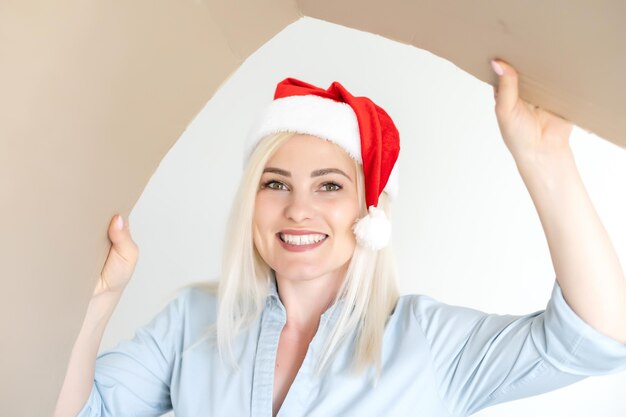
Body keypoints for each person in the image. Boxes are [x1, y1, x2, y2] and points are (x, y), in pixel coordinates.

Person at [54, 60, 626, 417]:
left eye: (329, 186)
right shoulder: (191, 323)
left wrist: (544, 156)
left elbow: (597, 338)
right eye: (275, 183)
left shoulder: (429, 344)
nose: (298, 209)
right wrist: (100, 302)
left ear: (367, 210)